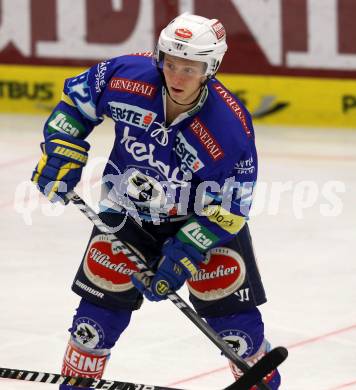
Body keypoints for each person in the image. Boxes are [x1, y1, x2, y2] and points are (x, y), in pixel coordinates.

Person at [31, 13, 281, 389]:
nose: (177, 77)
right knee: (92, 326)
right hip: (126, 214)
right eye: (171, 64)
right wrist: (63, 151)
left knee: (237, 334)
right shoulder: (125, 75)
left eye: (191, 68)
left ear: (210, 68)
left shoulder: (228, 128)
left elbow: (232, 208)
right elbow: (75, 104)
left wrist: (182, 252)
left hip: (201, 223)